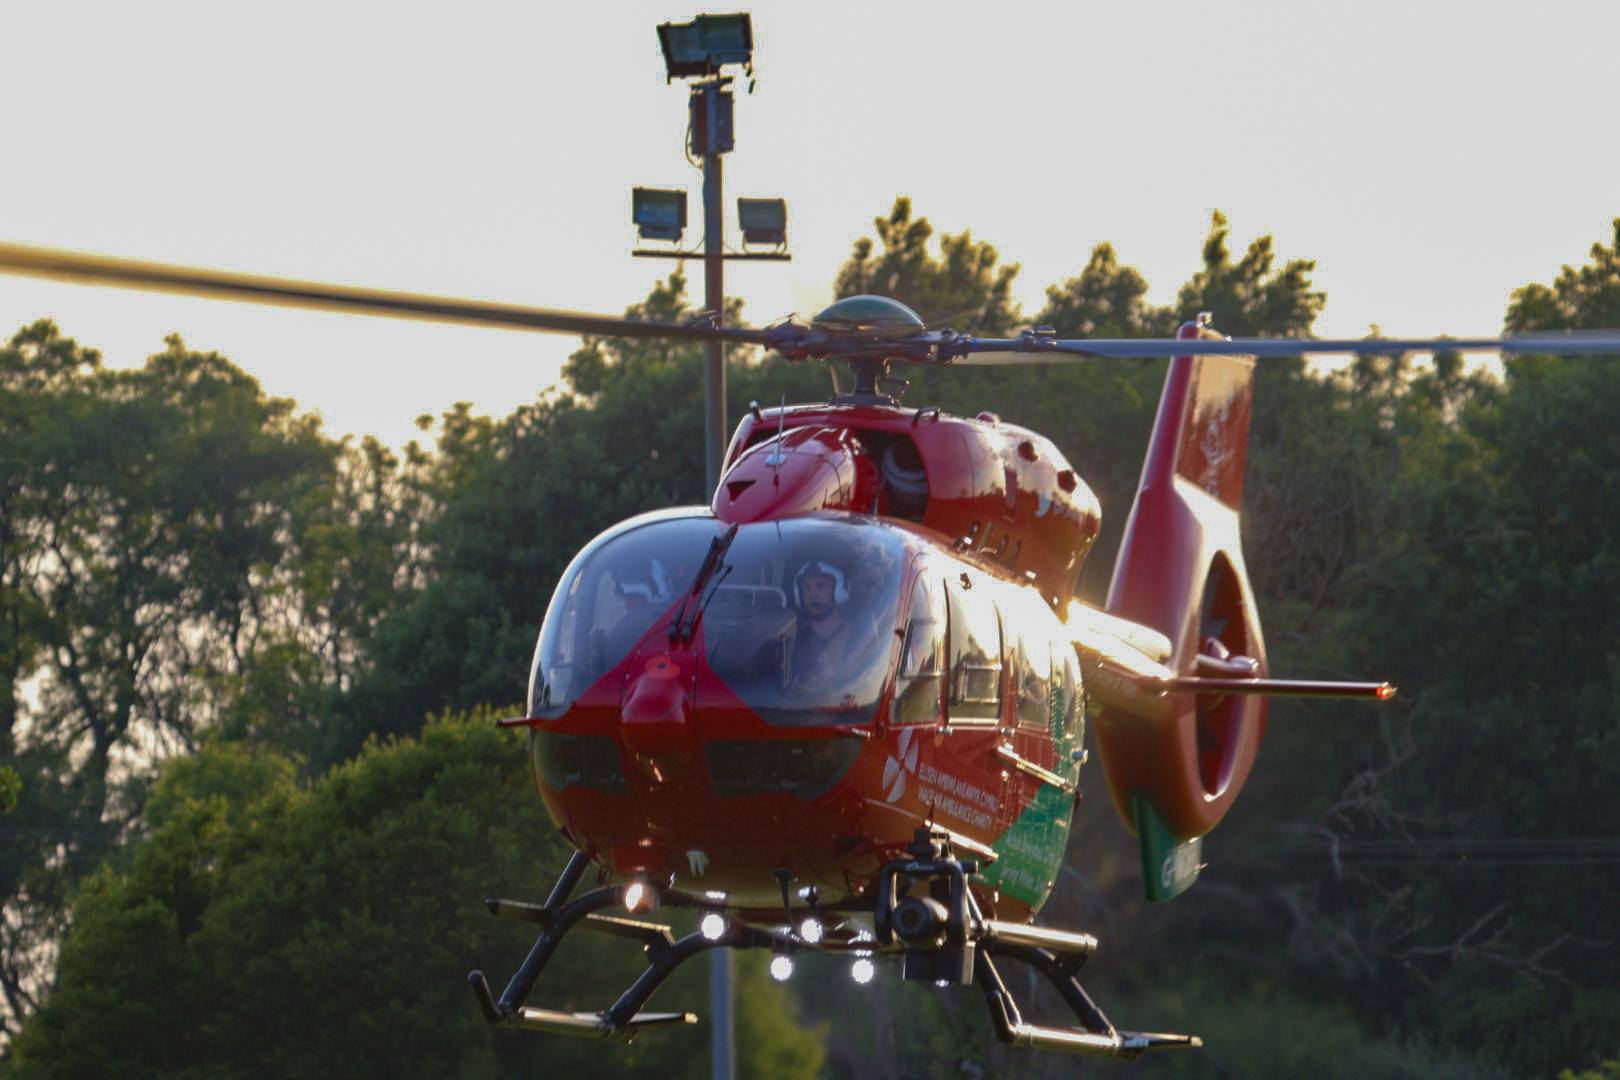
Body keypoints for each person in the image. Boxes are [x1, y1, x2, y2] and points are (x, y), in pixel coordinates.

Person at [790, 561, 859, 692]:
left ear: (838, 591)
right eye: (807, 587)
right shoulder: (793, 640)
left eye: (820, 586)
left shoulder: (861, 636)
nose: (813, 594)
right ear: (799, 595)